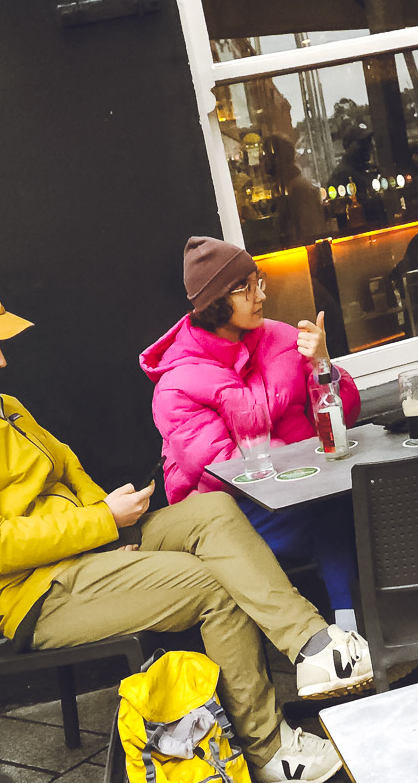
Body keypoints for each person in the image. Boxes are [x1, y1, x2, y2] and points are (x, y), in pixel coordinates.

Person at [0, 271, 372, 783]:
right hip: (37, 592)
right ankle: (268, 750)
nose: (1, 359)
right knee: (210, 585)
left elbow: (67, 471)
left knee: (215, 510)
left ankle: (316, 647)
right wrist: (102, 522)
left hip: (88, 551)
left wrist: (110, 532)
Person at [140, 238, 362, 633]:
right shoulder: (177, 385)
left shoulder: (280, 339)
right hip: (234, 516)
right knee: (335, 510)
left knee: (363, 501)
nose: (260, 294)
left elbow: (341, 416)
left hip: (301, 495)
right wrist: (308, 460)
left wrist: (322, 366)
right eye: (245, 287)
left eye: (259, 280)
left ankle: (354, 628)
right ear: (214, 301)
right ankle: (341, 634)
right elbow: (227, 470)